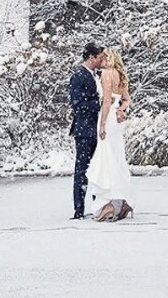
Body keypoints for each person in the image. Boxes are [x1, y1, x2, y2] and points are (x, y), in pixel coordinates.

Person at [86, 47, 134, 221]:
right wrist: (121, 109)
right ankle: (122, 201)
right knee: (116, 157)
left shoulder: (107, 73)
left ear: (110, 58)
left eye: (104, 57)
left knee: (106, 159)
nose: (102, 60)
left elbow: (106, 101)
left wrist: (103, 124)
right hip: (117, 118)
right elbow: (127, 99)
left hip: (109, 118)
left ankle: (107, 205)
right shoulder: (120, 75)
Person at [69, 41, 104, 219]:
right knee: (82, 170)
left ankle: (97, 206)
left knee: (97, 170)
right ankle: (79, 209)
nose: (101, 60)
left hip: (95, 129)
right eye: (99, 57)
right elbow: (77, 103)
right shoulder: (78, 76)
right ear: (91, 57)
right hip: (84, 131)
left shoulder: (96, 75)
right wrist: (98, 104)